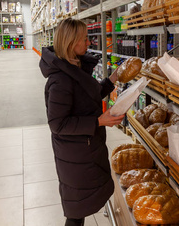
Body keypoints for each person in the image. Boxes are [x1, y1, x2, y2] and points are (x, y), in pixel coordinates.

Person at [39, 18, 124, 226]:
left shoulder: (74, 68)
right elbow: (57, 124)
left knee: (80, 205)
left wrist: (112, 79)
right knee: (76, 212)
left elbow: (89, 95)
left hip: (84, 149)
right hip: (75, 153)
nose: (89, 43)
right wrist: (98, 121)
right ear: (71, 43)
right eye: (84, 39)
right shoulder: (60, 80)